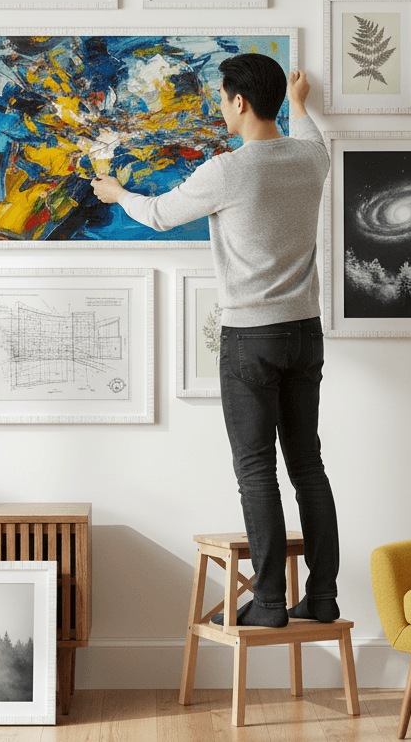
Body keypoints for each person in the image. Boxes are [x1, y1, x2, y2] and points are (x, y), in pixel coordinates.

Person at [90, 54, 339, 627]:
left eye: (222, 98)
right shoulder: (311, 159)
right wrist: (299, 106)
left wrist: (115, 192)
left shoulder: (227, 170)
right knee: (308, 467)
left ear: (240, 102)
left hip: (251, 337)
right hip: (304, 333)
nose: (218, 107)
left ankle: (270, 603)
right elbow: (307, 132)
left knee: (256, 472)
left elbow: (156, 215)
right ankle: (321, 598)